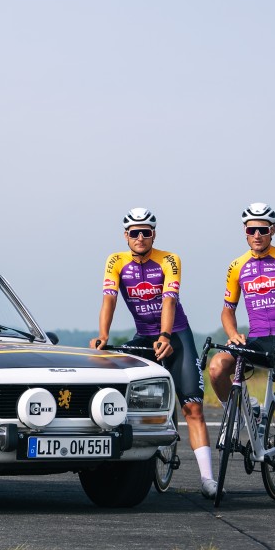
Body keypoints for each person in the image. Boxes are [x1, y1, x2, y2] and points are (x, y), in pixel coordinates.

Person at [92, 208, 215, 497]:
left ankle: (208, 479)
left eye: (145, 232)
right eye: (134, 232)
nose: (140, 237)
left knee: (192, 407)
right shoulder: (116, 262)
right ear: (126, 236)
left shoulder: (169, 260)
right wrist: (103, 335)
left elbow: (169, 301)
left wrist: (165, 335)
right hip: (143, 336)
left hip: (175, 333)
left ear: (153, 235)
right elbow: (108, 300)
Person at [208, 203, 275, 506]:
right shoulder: (237, 265)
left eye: (262, 229)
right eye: (251, 229)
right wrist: (232, 334)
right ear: (245, 231)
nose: (256, 234)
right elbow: (228, 309)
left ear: (272, 231)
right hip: (256, 339)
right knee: (217, 368)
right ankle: (241, 413)